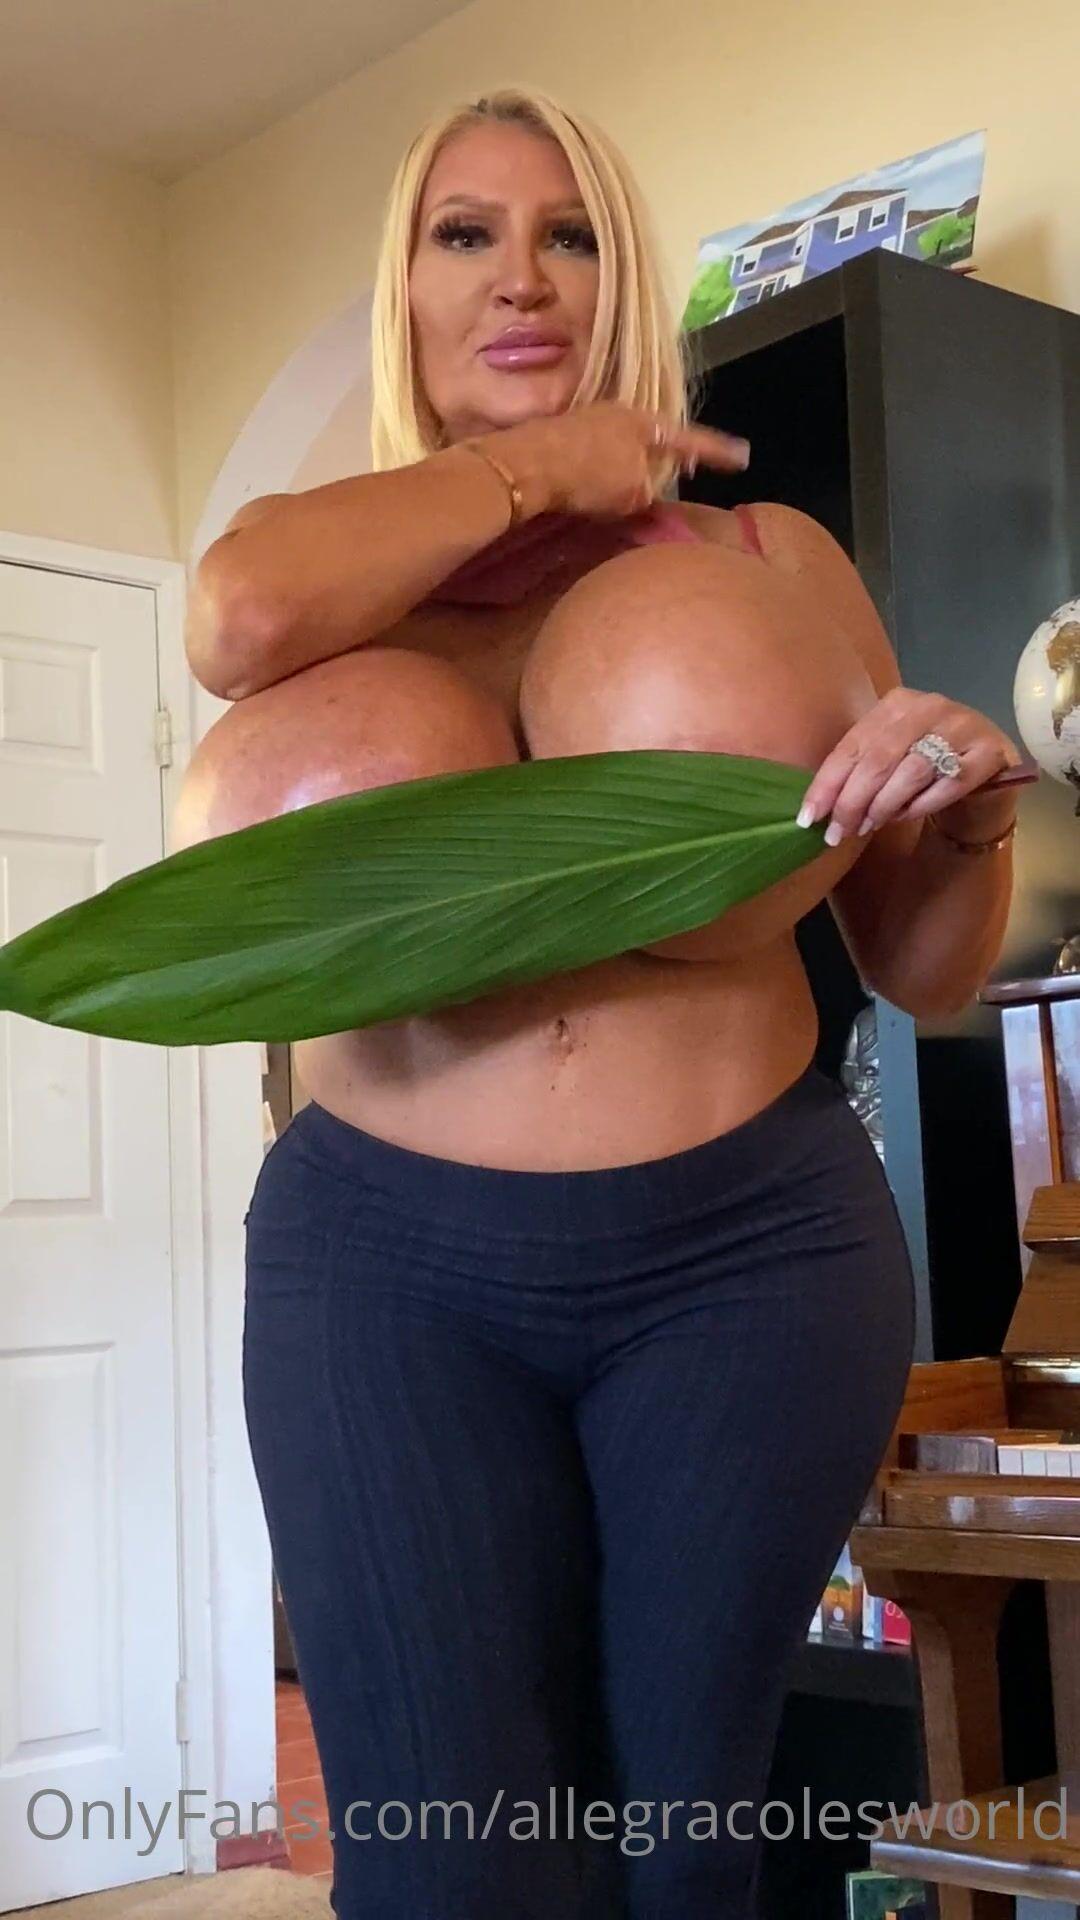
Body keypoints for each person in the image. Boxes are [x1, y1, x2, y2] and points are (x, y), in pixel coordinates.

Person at [178, 86, 1023, 1920]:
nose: (523, 279)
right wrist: (539, 473)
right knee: (448, 1868)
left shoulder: (774, 557)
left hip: (746, 1262)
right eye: (465, 234)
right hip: (386, 1279)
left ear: (623, 278)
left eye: (570, 235)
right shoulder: (318, 569)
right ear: (405, 288)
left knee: (697, 1849)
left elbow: (923, 964)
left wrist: (959, 806)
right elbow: (228, 621)